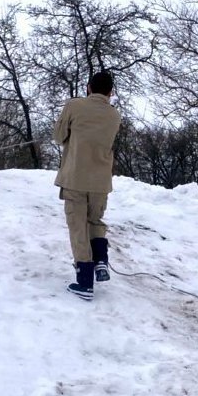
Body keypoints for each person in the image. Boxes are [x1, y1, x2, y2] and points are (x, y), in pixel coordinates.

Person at [53, 69, 122, 300]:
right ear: (110, 92)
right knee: (95, 221)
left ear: (89, 87)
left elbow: (59, 135)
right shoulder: (115, 116)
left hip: (75, 178)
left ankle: (84, 281)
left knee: (78, 227)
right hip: (101, 181)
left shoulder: (74, 105)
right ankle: (101, 260)